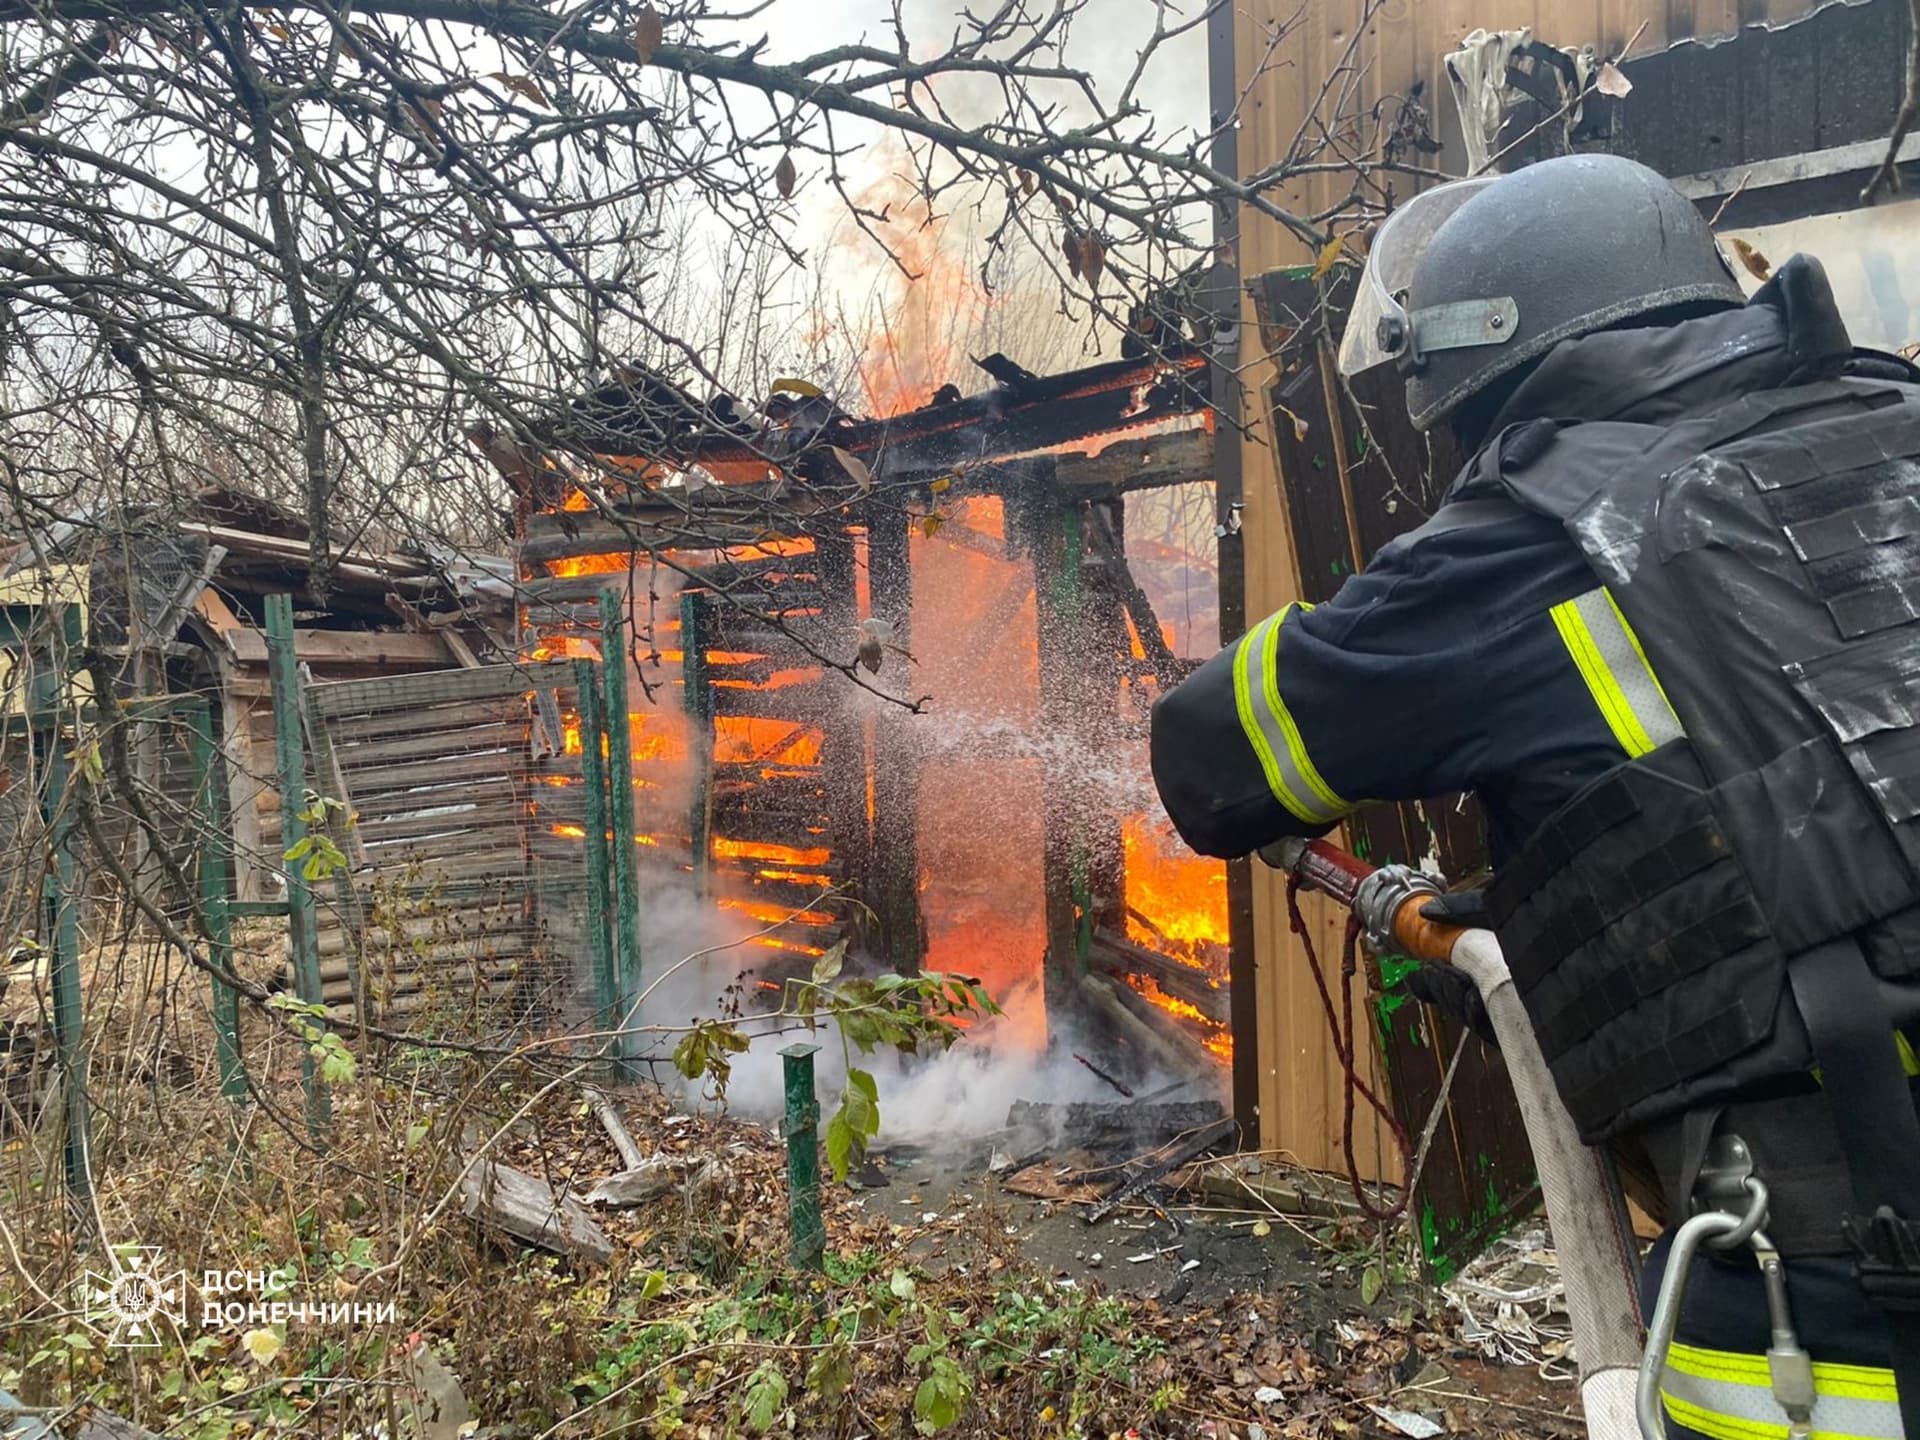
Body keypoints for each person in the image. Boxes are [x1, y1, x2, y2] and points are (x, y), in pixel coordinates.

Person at [1150, 152, 1920, 1438]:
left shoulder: (1528, 536)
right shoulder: (1892, 426)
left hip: (1843, 1283)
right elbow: (1818, 791)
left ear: (1476, 370)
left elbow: (1215, 759)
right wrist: (1573, 892)